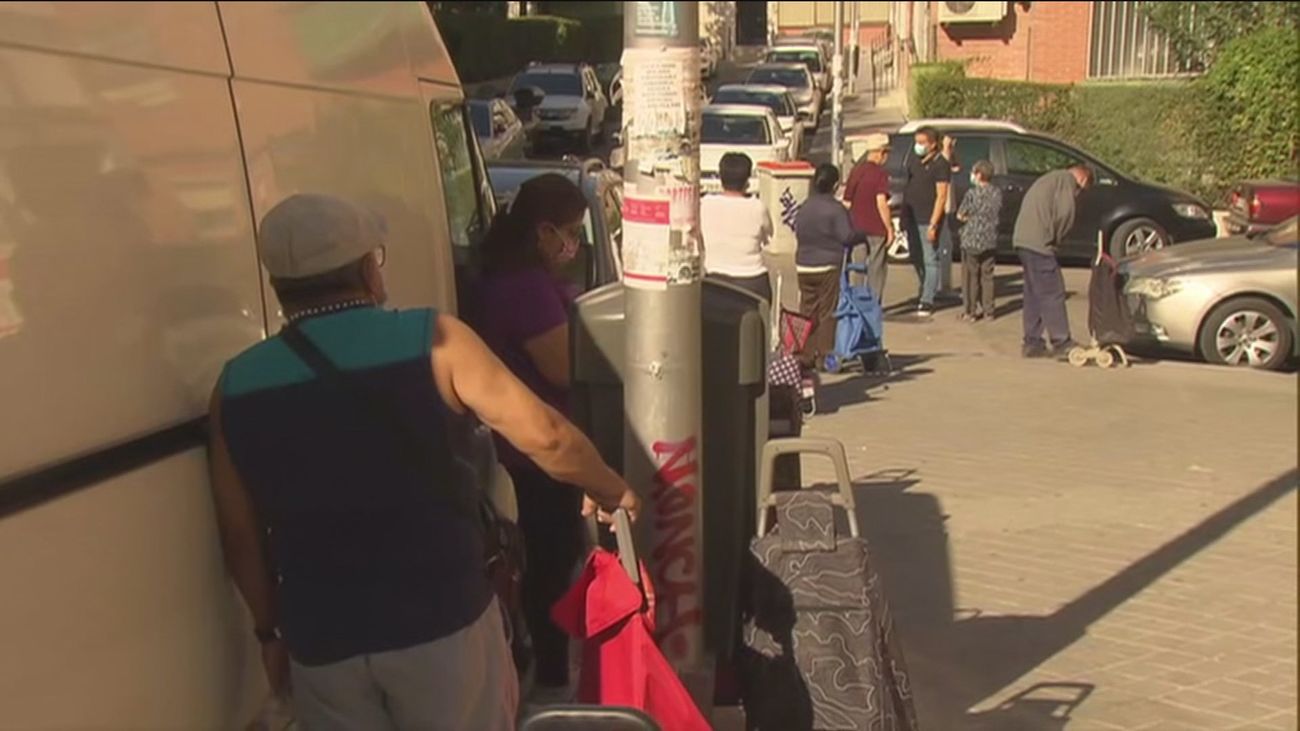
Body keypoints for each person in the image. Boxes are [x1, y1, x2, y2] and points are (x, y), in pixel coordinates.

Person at [209, 193, 639, 731]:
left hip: (322, 639)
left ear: (277, 285)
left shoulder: (235, 385)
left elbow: (239, 532)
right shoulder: (435, 340)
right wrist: (610, 488)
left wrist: (270, 632)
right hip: (440, 621)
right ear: (369, 269)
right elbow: (547, 437)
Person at [473, 173, 598, 703]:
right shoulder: (524, 288)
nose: (573, 244)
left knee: (540, 563)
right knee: (550, 563)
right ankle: (549, 679)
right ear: (543, 231)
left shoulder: (511, 278)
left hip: (518, 452)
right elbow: (564, 367)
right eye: (568, 232)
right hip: (535, 455)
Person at [1013, 164, 1093, 357]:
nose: (1079, 195)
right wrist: (1057, 239)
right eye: (1081, 191)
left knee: (1034, 293)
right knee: (1052, 291)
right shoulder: (1067, 182)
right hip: (1040, 242)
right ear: (1082, 180)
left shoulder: (1050, 179)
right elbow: (1065, 212)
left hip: (1023, 240)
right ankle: (1061, 341)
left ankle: (1032, 342)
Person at [796, 163, 865, 369]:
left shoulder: (804, 206)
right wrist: (861, 235)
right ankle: (824, 356)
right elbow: (846, 236)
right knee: (827, 312)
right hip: (827, 265)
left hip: (804, 265)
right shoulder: (836, 209)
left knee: (807, 310)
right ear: (835, 185)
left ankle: (805, 353)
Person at [701, 152, 774, 301]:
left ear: (720, 178)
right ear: (747, 181)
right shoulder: (757, 207)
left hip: (714, 281)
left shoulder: (705, 204)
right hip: (753, 282)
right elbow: (768, 237)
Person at [900, 126, 950, 317]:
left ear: (933, 144)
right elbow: (908, 187)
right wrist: (904, 213)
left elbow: (942, 195)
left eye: (922, 143)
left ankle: (928, 299)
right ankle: (924, 287)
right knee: (915, 255)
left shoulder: (940, 164)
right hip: (912, 215)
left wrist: (934, 224)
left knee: (930, 258)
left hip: (927, 218)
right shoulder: (914, 160)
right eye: (916, 142)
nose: (918, 146)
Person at [843, 132, 894, 300]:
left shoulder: (856, 171)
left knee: (858, 265)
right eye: (886, 153)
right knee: (876, 267)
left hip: (856, 227)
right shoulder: (880, 174)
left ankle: (856, 299)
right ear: (880, 152)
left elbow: (847, 201)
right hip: (876, 228)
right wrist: (889, 228)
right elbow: (881, 203)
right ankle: (873, 302)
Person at [955, 160, 1002, 321]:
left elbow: (960, 215)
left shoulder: (972, 194)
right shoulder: (997, 193)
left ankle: (970, 311)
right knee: (987, 276)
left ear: (979, 175)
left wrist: (970, 218)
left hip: (972, 239)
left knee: (971, 276)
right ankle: (989, 310)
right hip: (990, 238)